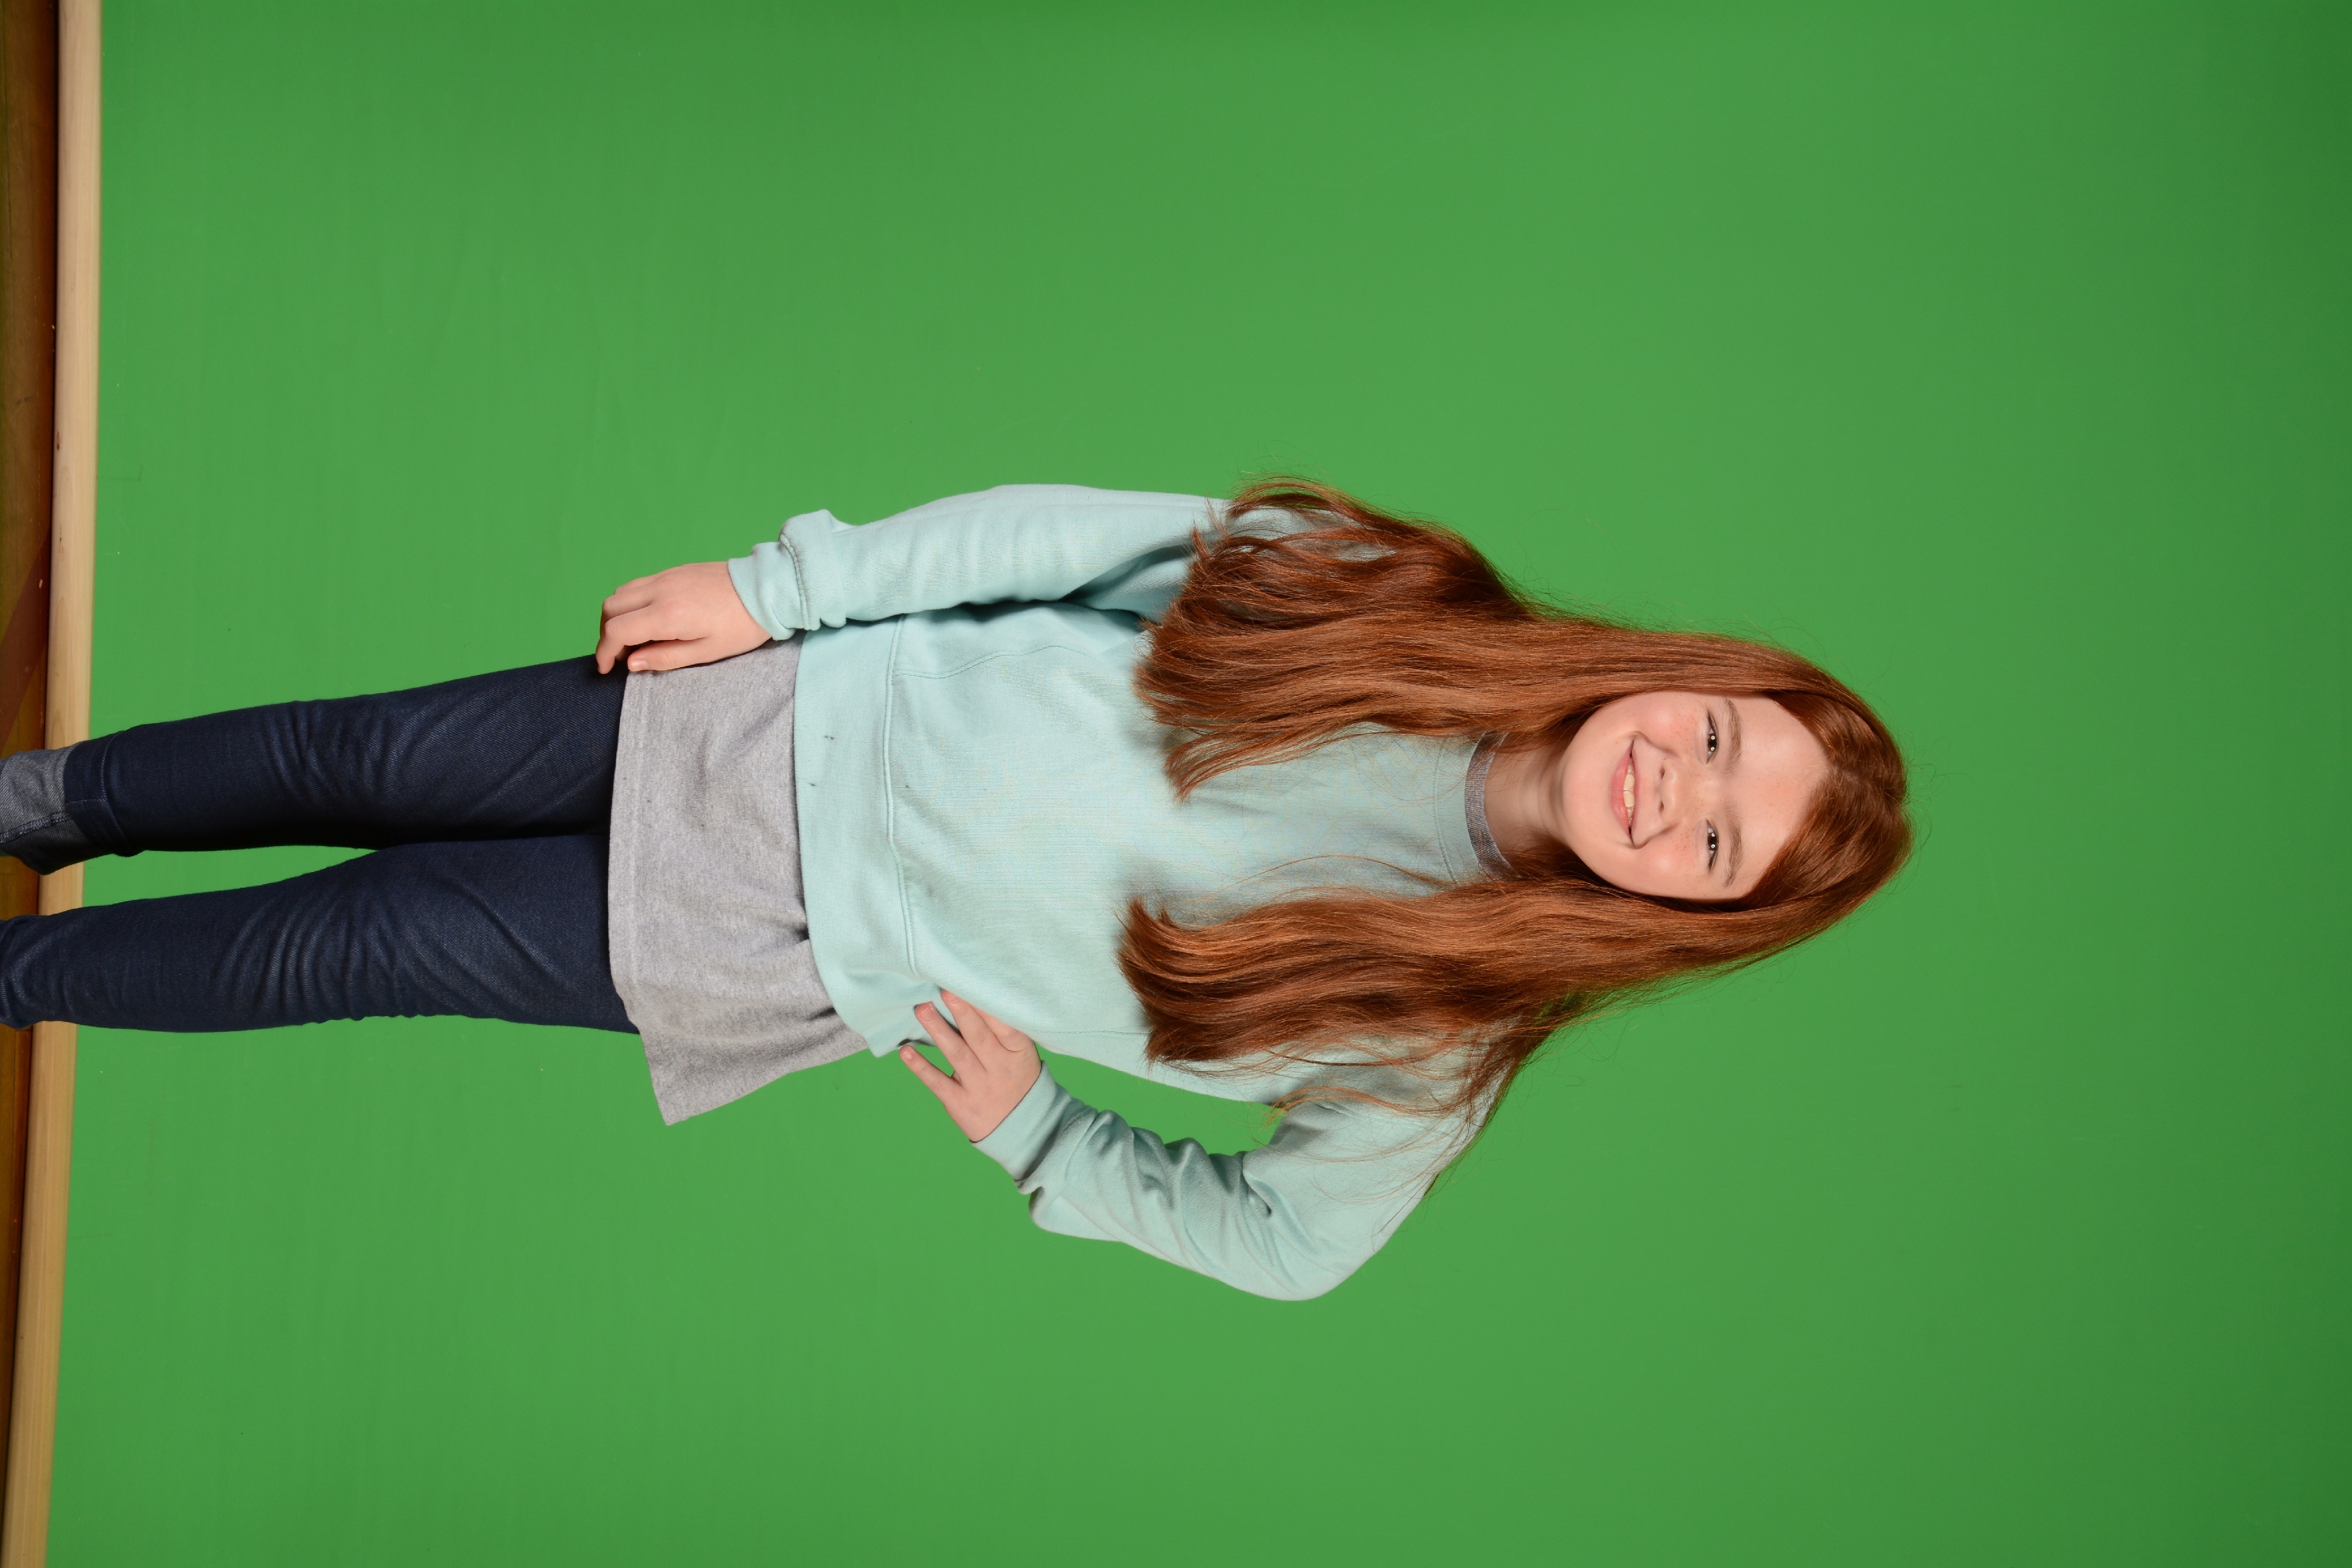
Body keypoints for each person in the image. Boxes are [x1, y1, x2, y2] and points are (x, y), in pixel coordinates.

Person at [0, 480, 1911, 1299]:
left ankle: (10, 981)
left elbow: (1291, 1248)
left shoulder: (1432, 1041)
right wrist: (781, 588)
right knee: (349, 756)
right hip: (772, 704)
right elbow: (1048, 538)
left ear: (1691, 914)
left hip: (772, 939)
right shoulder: (1386, 589)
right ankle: (29, 805)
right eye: (1719, 737)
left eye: (1716, 844)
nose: (1678, 791)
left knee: (342, 938)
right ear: (1684, 676)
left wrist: (1043, 1143)